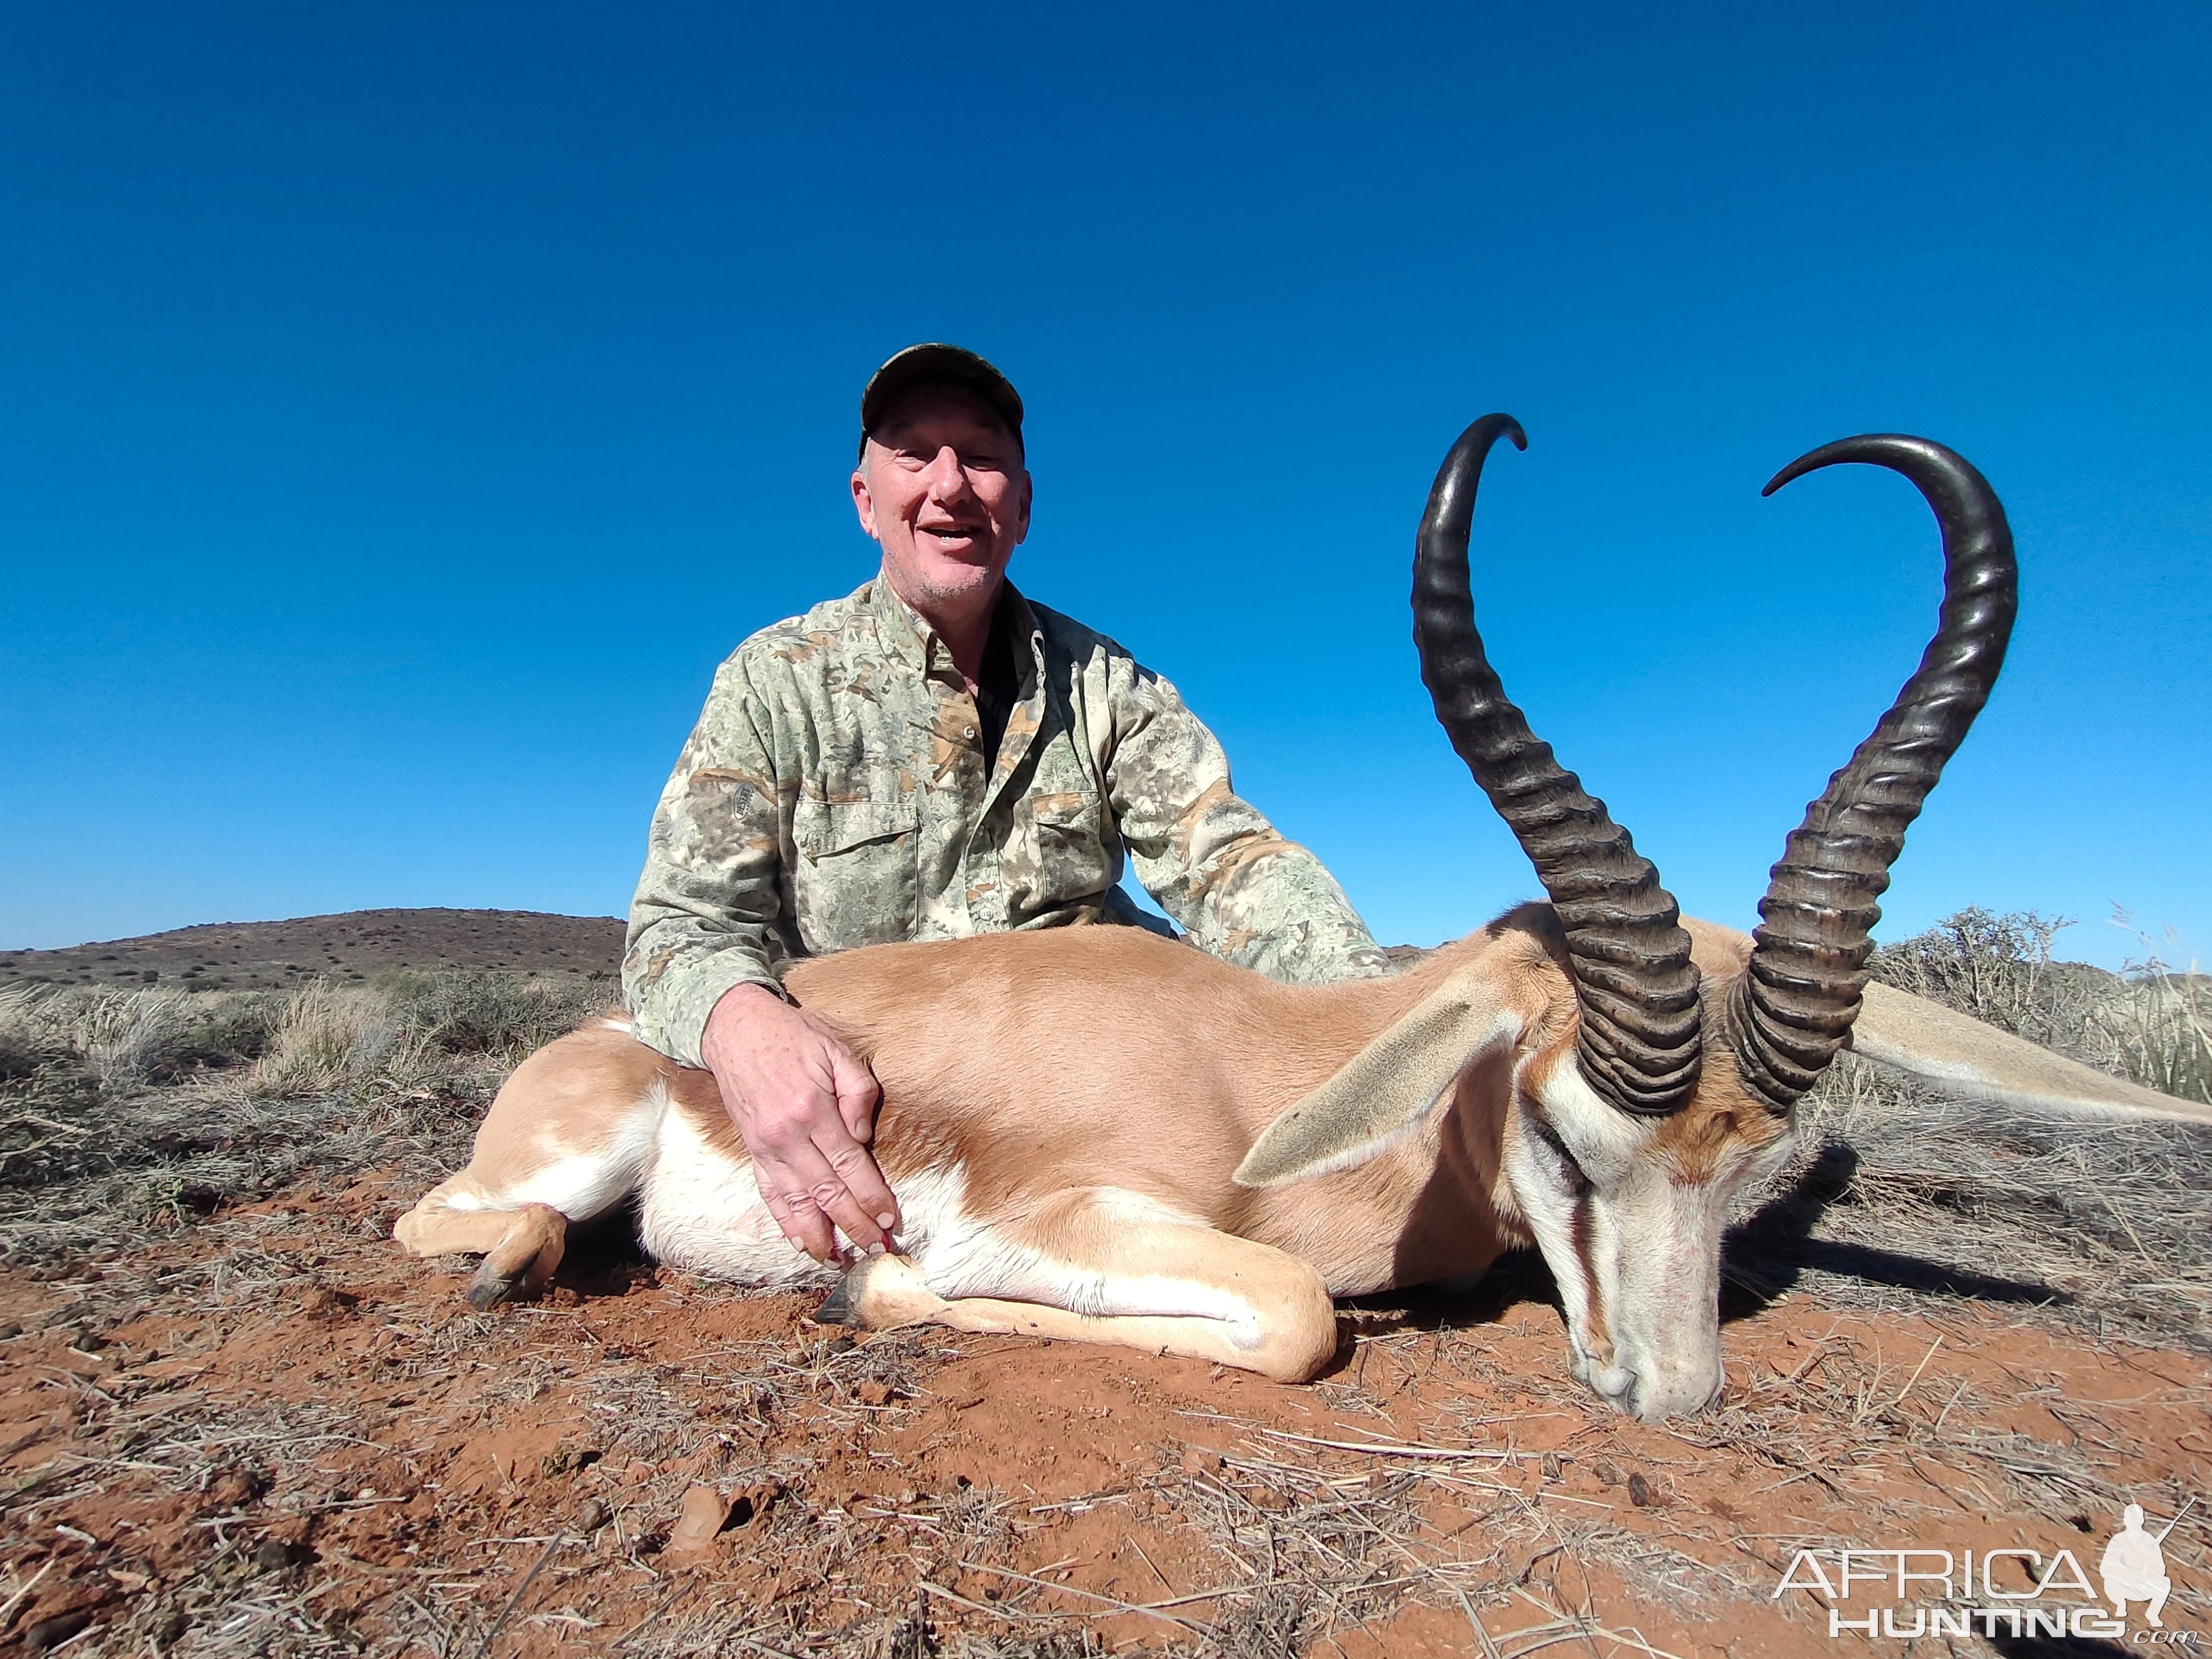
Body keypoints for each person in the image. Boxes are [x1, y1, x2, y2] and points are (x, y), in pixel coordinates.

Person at [622, 344, 1388, 1265]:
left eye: (982, 457)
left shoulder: (1110, 689)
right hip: (881, 1116)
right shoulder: (773, 682)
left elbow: (1228, 863)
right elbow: (678, 928)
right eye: (914, 454)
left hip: (1074, 1121)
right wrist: (744, 1034)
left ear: (1022, 507)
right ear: (866, 501)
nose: (951, 485)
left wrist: (1378, 1022)